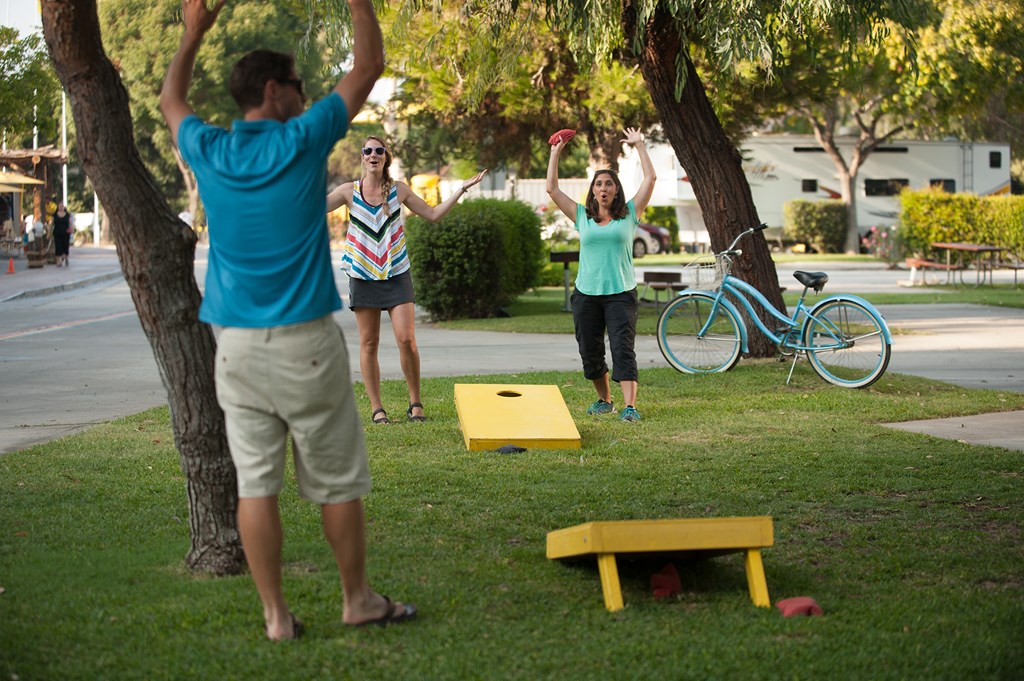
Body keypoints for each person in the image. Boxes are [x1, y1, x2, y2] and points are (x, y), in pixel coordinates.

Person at [160, 0, 415, 640]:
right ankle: (356, 599)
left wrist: (193, 34)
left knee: (256, 487)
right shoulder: (302, 140)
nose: (307, 95)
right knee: (335, 484)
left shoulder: (211, 148)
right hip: (305, 343)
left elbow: (170, 102)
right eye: (299, 85)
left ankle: (276, 617)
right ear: (273, 92)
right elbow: (370, 65)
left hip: (237, 352)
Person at [326, 139, 487, 424]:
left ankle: (415, 404)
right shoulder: (348, 192)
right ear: (362, 158)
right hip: (363, 274)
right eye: (368, 151)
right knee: (369, 343)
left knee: (406, 339)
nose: (373, 155)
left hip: (397, 272)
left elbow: (434, 215)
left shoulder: (398, 190)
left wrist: (461, 189)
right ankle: (377, 409)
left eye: (379, 151)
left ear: (386, 158)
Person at [546, 127, 656, 423]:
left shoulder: (630, 214)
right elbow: (552, 190)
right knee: (590, 351)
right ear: (593, 190)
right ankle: (604, 400)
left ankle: (629, 406)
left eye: (609, 184)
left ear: (616, 190)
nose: (604, 188)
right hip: (586, 295)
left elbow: (650, 179)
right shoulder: (582, 216)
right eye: (599, 184)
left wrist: (640, 146)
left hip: (620, 293)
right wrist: (555, 153)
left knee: (622, 348)